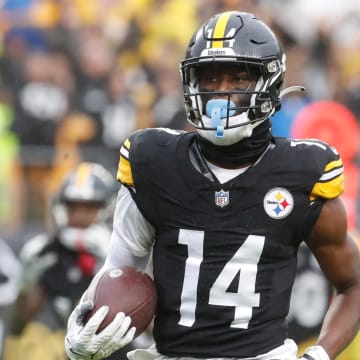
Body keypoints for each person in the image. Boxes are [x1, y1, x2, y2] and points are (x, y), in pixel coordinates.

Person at [64, 11, 360, 360]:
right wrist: (83, 324)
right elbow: (118, 270)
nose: (221, 93)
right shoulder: (154, 162)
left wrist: (320, 354)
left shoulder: (302, 171)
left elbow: (353, 284)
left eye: (237, 80)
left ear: (270, 83)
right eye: (210, 79)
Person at [4, 162, 129, 360]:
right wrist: (26, 283)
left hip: (110, 349)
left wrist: (112, 267)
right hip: (62, 347)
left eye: (89, 207)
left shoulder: (126, 252)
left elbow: (146, 327)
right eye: (72, 207)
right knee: (31, 343)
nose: (79, 216)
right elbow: (18, 326)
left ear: (107, 208)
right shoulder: (47, 252)